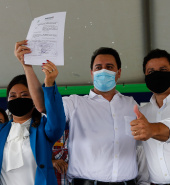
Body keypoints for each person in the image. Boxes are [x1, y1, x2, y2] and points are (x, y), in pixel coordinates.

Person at [13, 40, 149, 185]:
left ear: (119, 72)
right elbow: (43, 107)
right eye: (98, 67)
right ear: (92, 73)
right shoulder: (75, 103)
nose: (103, 71)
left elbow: (142, 148)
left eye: (109, 67)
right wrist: (28, 68)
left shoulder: (131, 104)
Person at [0, 73, 65, 185]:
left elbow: (56, 121)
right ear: (7, 100)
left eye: (24, 95)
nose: (18, 99)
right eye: (13, 96)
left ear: (34, 100)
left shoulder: (43, 128)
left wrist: (49, 84)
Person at [130, 49, 170, 185]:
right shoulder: (142, 113)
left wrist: (152, 129)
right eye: (151, 72)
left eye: (163, 70)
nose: (157, 75)